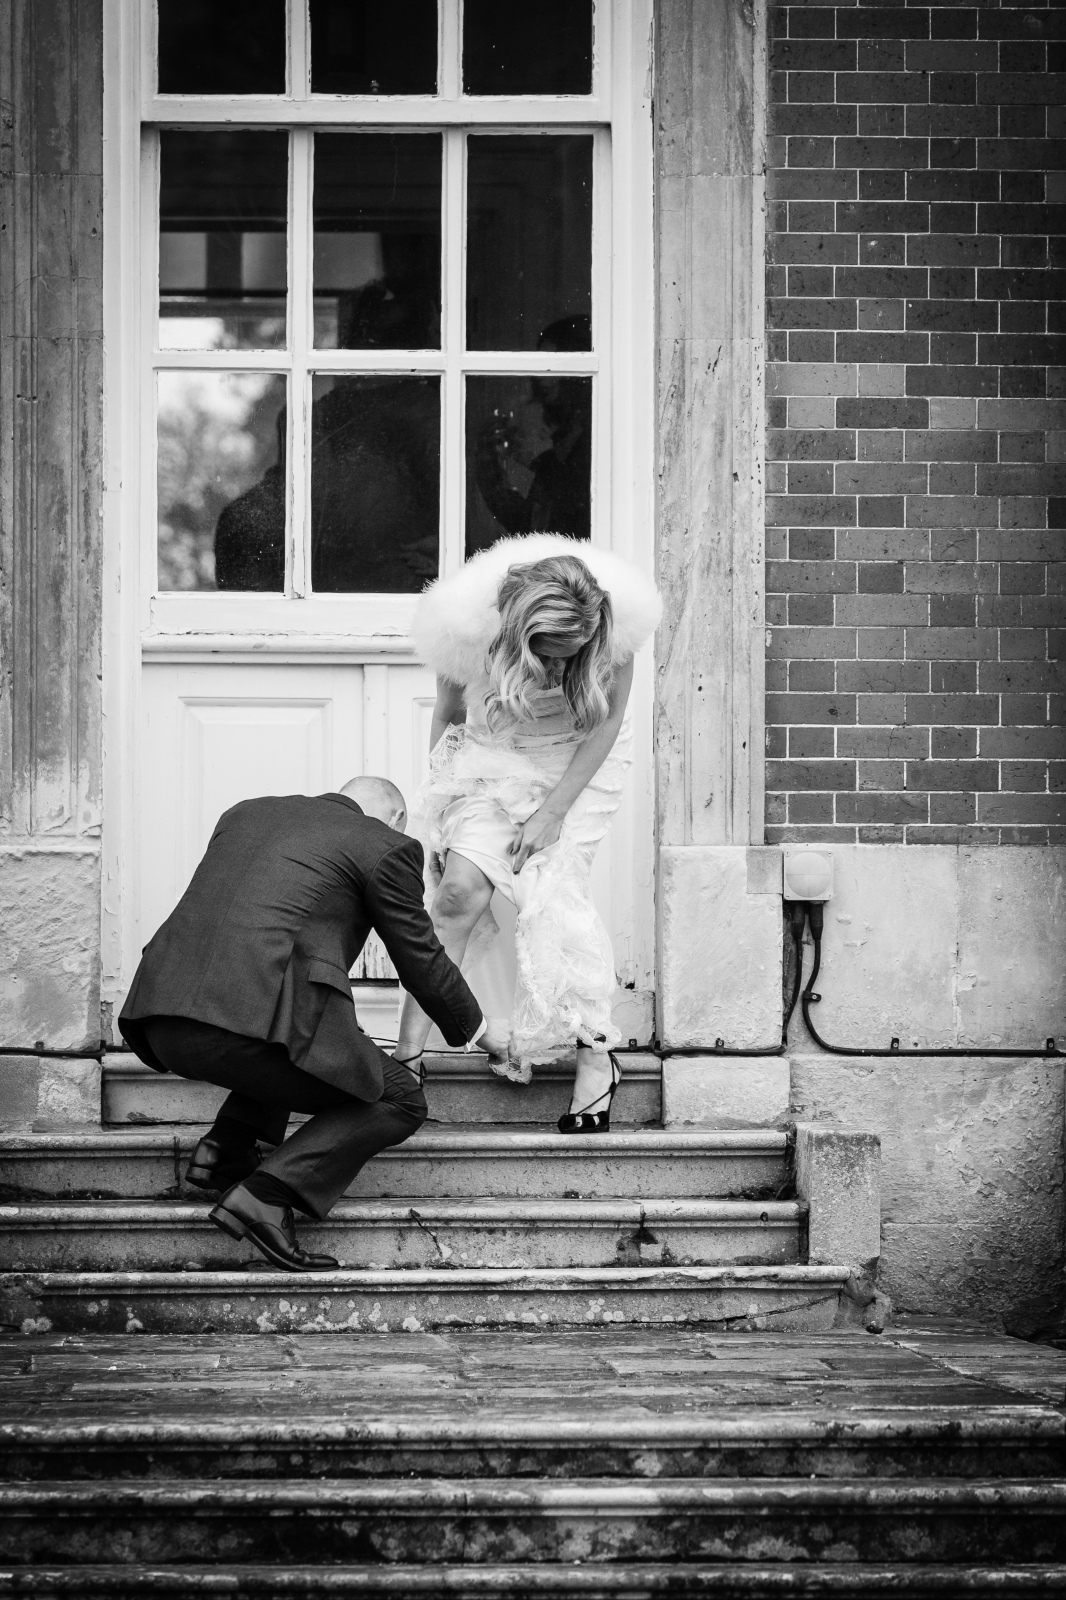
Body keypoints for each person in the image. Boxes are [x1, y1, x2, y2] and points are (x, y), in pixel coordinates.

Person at [119, 776, 509, 1272]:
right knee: (399, 1099)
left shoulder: (246, 811)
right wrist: (481, 1031)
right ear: (395, 819)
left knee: (295, 1045)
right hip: (244, 1025)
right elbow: (421, 959)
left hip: (160, 1016)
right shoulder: (386, 845)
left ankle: (226, 1150)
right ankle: (265, 1196)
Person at [397, 536, 661, 1132]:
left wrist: (553, 812)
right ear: (518, 633)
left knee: (549, 890)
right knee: (457, 894)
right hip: (496, 748)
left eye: (575, 654)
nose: (563, 667)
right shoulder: (463, 628)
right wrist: (438, 812)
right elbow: (449, 717)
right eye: (550, 653)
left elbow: (607, 723)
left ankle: (597, 1054)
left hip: (579, 757)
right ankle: (406, 1059)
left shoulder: (615, 624)